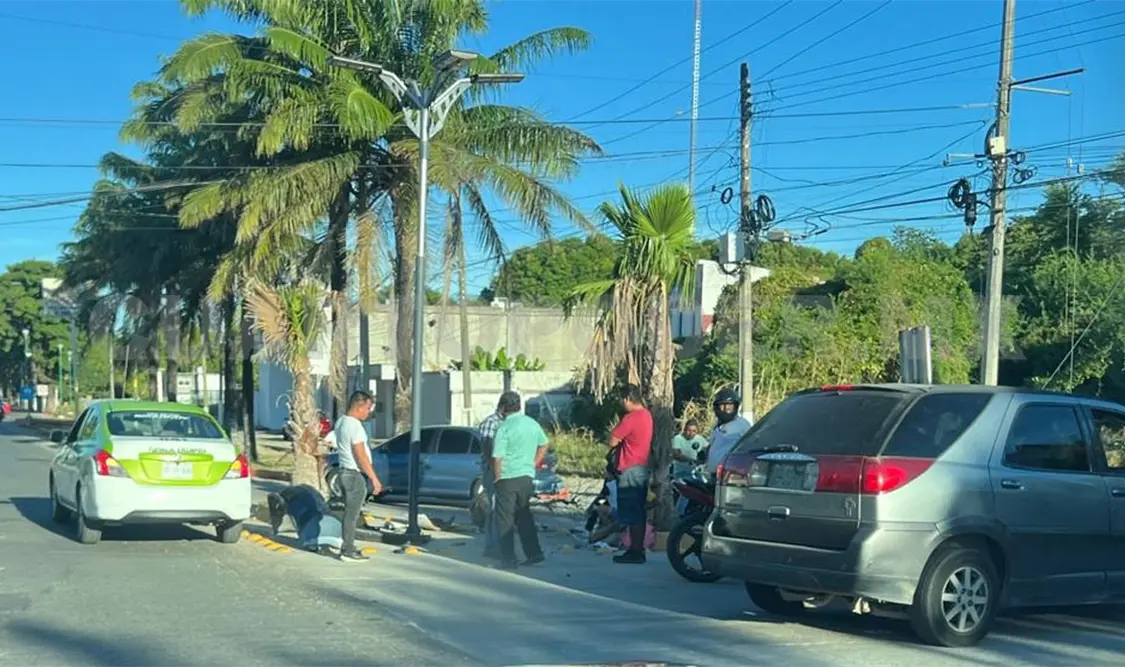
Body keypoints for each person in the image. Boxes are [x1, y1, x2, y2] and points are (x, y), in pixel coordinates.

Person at [490, 390, 548, 570]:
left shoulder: (504, 427)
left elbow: (497, 457)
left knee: (505, 519)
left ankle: (508, 558)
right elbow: (544, 444)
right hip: (526, 476)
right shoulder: (532, 423)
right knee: (524, 515)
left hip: (508, 477)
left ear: (503, 407)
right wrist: (534, 462)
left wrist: (497, 477)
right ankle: (534, 553)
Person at [333, 390, 383, 562]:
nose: (369, 412)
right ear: (358, 406)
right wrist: (374, 479)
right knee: (352, 515)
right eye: (368, 408)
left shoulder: (341, 422)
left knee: (349, 513)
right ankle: (348, 550)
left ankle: (347, 546)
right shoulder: (355, 426)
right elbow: (360, 455)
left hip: (343, 471)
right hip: (354, 475)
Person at [607, 384, 653, 564]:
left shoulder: (632, 418)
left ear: (627, 399)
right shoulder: (647, 415)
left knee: (631, 512)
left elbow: (612, 440)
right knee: (639, 511)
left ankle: (635, 550)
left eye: (621, 399)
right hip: (641, 466)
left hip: (629, 468)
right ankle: (637, 548)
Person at [476, 398, 506, 560]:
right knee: (494, 509)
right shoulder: (491, 423)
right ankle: (493, 547)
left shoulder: (508, 423)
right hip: (492, 470)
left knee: (501, 510)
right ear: (502, 407)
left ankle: (498, 545)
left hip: (504, 471)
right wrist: (495, 469)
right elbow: (487, 448)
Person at [705, 388, 752, 474]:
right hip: (713, 474)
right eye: (722, 406)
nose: (726, 409)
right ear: (716, 408)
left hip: (730, 475)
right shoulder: (716, 426)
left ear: (736, 407)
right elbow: (713, 445)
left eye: (729, 406)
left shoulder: (742, 425)